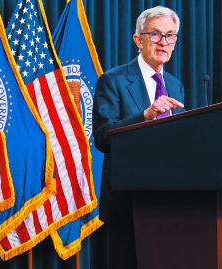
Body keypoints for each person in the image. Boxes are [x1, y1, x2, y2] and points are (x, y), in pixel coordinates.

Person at [93, 6, 185, 269]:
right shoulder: (113, 81)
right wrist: (145, 114)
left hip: (171, 202)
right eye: (155, 34)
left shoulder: (176, 85)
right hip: (128, 203)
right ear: (138, 39)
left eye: (170, 36)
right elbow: (102, 137)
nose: (163, 42)